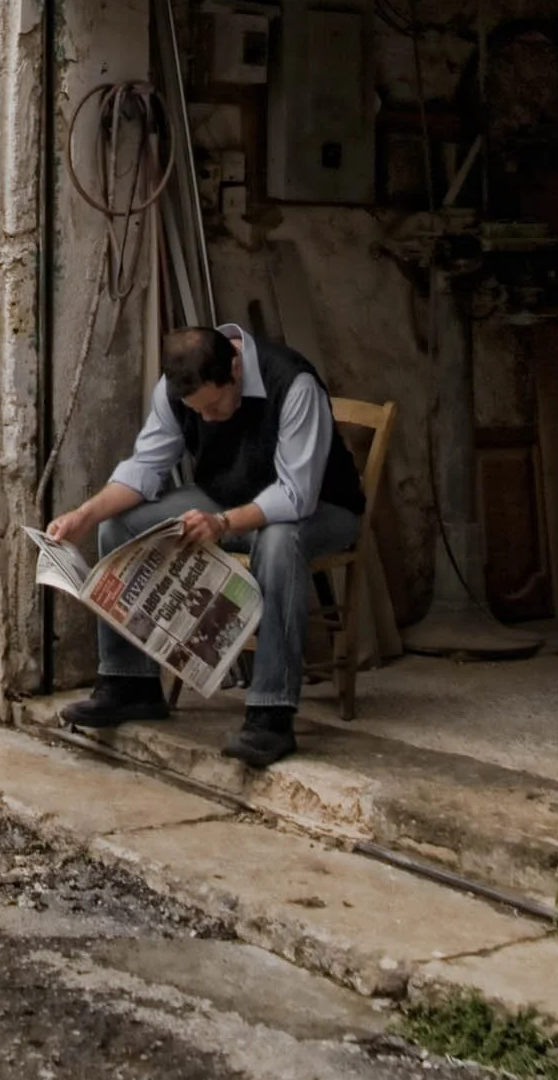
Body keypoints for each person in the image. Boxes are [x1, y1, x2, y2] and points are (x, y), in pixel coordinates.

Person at [45, 321, 363, 768]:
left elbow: (296, 495)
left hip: (322, 508)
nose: (208, 419)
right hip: (227, 498)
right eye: (198, 411)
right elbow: (145, 468)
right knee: (118, 526)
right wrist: (84, 514)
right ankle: (130, 684)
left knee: (278, 543)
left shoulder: (294, 385)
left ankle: (271, 715)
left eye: (214, 406)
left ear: (235, 369)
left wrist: (223, 523)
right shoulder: (176, 391)